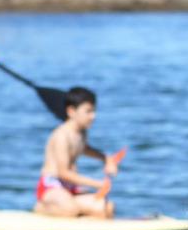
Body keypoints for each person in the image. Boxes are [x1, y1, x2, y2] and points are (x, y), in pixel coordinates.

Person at [34, 86, 125, 218]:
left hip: (69, 188)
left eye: (94, 111)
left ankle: (82, 218)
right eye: (88, 111)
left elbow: (84, 149)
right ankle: (42, 207)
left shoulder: (81, 132)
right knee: (70, 209)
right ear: (71, 111)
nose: (93, 116)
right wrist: (97, 184)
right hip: (51, 187)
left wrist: (107, 159)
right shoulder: (62, 136)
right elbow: (63, 173)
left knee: (106, 208)